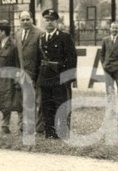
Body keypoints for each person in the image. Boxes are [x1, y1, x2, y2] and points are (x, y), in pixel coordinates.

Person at [37, 9, 77, 139]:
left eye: (52, 20)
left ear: (56, 22)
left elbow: (71, 59)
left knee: (61, 105)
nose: (49, 23)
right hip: (45, 78)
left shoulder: (64, 37)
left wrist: (68, 79)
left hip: (60, 78)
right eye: (47, 20)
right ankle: (50, 132)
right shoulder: (42, 38)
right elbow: (38, 60)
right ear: (43, 22)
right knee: (47, 106)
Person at [14, 10, 42, 134]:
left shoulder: (40, 33)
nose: (25, 22)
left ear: (32, 19)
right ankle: (25, 126)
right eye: (22, 19)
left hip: (36, 74)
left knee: (38, 102)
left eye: (27, 19)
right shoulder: (18, 34)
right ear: (19, 21)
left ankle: (38, 128)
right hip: (23, 74)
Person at [0, 21, 23, 134]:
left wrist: (17, 79)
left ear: (3, 32)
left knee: (17, 103)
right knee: (3, 103)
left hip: (12, 78)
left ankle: (22, 127)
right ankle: (5, 125)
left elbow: (18, 63)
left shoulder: (14, 45)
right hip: (0, 78)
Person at [100, 20, 118, 98]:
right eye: (113, 28)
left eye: (116, 28)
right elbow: (102, 54)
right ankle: (111, 106)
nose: (114, 30)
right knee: (109, 88)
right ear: (110, 29)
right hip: (108, 68)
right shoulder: (105, 40)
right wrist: (104, 64)